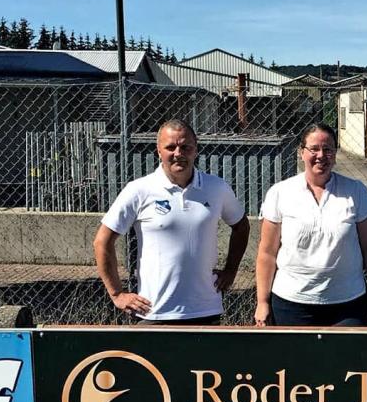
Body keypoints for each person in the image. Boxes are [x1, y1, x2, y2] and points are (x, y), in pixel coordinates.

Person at [94, 119, 250, 324]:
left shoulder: (216, 187)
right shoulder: (139, 190)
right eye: (170, 147)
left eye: (186, 147)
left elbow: (241, 227)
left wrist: (231, 270)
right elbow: (102, 242)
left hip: (205, 310)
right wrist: (117, 294)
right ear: (159, 151)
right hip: (154, 312)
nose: (178, 153)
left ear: (196, 150)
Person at [254, 123, 367, 327]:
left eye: (328, 149)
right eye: (314, 149)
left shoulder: (355, 191)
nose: (321, 155)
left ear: (335, 153)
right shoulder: (280, 193)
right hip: (291, 303)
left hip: (348, 304)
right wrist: (262, 301)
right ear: (301, 152)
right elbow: (267, 252)